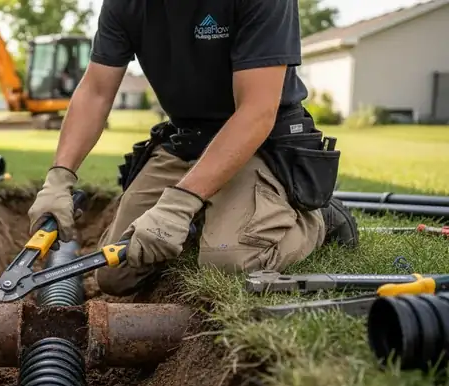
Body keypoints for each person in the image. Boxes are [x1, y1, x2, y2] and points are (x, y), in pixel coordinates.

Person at [27, 0, 359, 296]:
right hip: (186, 139)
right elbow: (96, 92)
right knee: (115, 275)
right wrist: (58, 178)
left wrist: (179, 202)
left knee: (227, 261)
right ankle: (207, 219)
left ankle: (319, 219)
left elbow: (257, 111)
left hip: (262, 142)